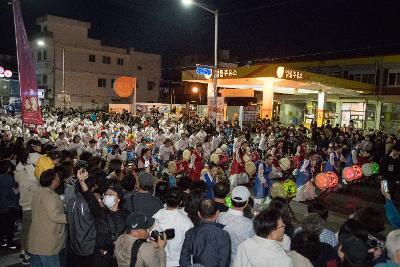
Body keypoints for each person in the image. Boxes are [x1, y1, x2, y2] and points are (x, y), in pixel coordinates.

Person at [77, 169, 128, 267]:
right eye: (106, 194)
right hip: (101, 257)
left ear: (118, 199)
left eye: (111, 194)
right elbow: (90, 198)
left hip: (119, 258)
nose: (106, 196)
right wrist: (81, 182)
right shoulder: (100, 212)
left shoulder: (126, 215)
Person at [28, 169, 68, 267]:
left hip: (37, 238)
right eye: (58, 178)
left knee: (36, 264)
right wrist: (71, 217)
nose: (59, 180)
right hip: (48, 241)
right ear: (53, 180)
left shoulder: (38, 192)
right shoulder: (50, 196)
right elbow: (56, 216)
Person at [180, 199, 231, 267]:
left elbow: (183, 260)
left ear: (199, 214)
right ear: (217, 213)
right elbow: (224, 262)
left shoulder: (190, 233)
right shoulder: (224, 235)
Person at [153, 187, 193, 267]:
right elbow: (190, 246)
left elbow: (151, 240)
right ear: (181, 202)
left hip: (158, 260)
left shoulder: (156, 217)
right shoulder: (186, 222)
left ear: (165, 199)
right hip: (178, 262)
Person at [66, 173, 99, 267]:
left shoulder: (71, 201)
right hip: (89, 245)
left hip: (74, 244)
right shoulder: (90, 203)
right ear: (91, 187)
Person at [14, 150, 40, 264]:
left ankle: (23, 252)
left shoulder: (19, 170)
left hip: (25, 203)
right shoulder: (26, 172)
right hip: (29, 203)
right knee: (29, 230)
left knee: (26, 230)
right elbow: (31, 186)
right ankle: (26, 254)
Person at [217, 186, 255, 261]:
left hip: (220, 258)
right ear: (247, 202)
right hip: (239, 260)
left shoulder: (220, 216)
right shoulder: (249, 224)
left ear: (230, 200)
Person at [0, 160, 19, 250]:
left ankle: (2, 242)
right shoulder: (9, 178)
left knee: (3, 224)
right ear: (8, 168)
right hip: (10, 205)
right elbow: (12, 193)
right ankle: (10, 243)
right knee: (10, 226)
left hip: (2, 205)